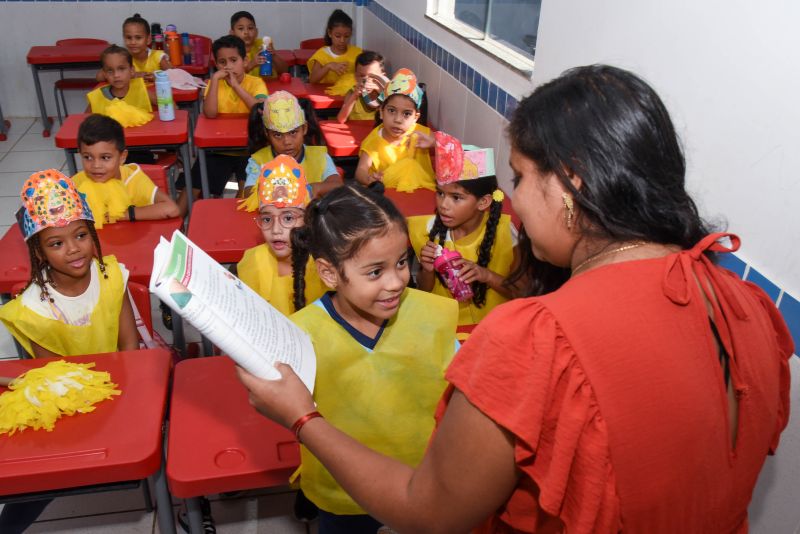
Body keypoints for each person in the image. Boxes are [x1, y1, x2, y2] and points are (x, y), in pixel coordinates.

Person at [236, 65, 793, 533]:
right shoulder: (740, 304)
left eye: (521, 177)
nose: (514, 200)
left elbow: (430, 511)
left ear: (571, 187)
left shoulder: (536, 338)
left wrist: (303, 418)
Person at [284, 184, 459, 533]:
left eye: (401, 263)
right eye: (375, 272)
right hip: (345, 496)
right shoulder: (300, 335)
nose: (396, 282)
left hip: (422, 485)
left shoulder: (435, 315)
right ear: (330, 273)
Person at [409, 132, 520, 331]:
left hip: (493, 328)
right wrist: (427, 269)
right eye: (440, 193)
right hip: (445, 327)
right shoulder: (427, 231)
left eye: (456, 197)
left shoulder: (505, 233)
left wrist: (486, 276)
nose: (443, 205)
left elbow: (522, 292)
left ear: (483, 202)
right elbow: (424, 290)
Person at [175, 35, 268, 216]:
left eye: (234, 60)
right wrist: (216, 81)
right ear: (216, 65)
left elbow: (259, 109)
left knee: (245, 200)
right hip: (218, 151)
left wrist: (236, 86)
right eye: (222, 62)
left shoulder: (255, 83)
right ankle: (176, 232)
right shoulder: (213, 84)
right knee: (190, 192)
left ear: (245, 61)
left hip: (249, 151)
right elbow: (210, 113)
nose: (228, 66)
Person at [237, 155, 327, 315]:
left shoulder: (325, 263)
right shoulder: (253, 261)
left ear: (307, 219)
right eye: (266, 219)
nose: (276, 229)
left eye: (288, 218)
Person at [71, 114, 178, 228]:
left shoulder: (133, 180)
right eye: (88, 157)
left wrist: (124, 214)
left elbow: (171, 209)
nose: (96, 165)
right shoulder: (76, 183)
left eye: (105, 157)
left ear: (122, 157)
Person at [240, 91, 341, 206]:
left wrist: (313, 188)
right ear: (267, 134)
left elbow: (337, 185)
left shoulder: (319, 156)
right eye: (277, 135)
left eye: (293, 132)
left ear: (304, 128)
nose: (287, 142)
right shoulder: (258, 161)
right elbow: (248, 193)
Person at [355, 68, 435, 192]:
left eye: (407, 114)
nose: (398, 120)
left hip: (420, 195)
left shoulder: (422, 134)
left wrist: (434, 143)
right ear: (381, 112)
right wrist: (369, 179)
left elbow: (447, 148)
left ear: (416, 117)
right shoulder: (374, 141)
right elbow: (360, 171)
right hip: (387, 196)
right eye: (392, 111)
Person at [87, 45, 153, 128]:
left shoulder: (141, 90)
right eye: (110, 71)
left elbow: (167, 103)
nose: (116, 75)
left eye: (121, 69)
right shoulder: (96, 97)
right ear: (104, 74)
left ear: (132, 71)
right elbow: (84, 124)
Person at [96, 14, 171, 83]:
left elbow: (174, 75)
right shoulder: (122, 57)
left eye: (138, 38)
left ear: (148, 39)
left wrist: (157, 78)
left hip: (156, 96)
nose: (133, 42)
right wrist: (132, 75)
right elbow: (99, 77)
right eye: (128, 38)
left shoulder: (158, 57)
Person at [307, 9, 362, 85]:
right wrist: (328, 66)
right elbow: (312, 80)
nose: (342, 40)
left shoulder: (357, 53)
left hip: (348, 95)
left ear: (351, 34)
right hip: (323, 95)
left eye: (346, 36)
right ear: (330, 33)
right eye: (338, 36)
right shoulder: (322, 55)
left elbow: (364, 76)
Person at [229, 10, 288, 77]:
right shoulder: (230, 51)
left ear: (256, 32)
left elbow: (284, 70)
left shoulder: (264, 44)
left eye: (250, 28)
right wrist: (251, 65)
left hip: (270, 84)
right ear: (232, 33)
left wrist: (274, 56)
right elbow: (232, 77)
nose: (246, 32)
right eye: (241, 28)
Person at [336, 51, 388, 123]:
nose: (366, 80)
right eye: (361, 76)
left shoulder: (388, 93)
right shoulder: (352, 92)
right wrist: (354, 96)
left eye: (372, 76)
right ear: (355, 77)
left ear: (383, 76)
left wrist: (382, 92)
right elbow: (341, 119)